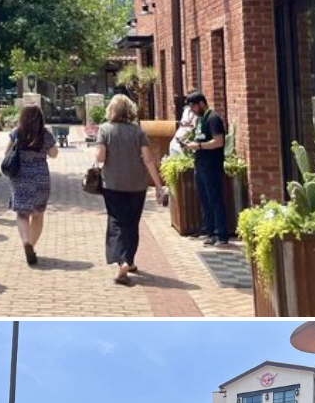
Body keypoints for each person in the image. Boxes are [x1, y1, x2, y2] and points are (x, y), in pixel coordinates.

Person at [94, 93, 168, 285]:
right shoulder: (138, 132)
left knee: (116, 222)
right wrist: (159, 186)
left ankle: (123, 262)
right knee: (132, 223)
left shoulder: (104, 130)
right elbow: (148, 159)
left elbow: (100, 157)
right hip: (137, 184)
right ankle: (130, 260)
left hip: (113, 184)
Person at [4, 103, 58, 266]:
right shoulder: (45, 134)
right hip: (40, 176)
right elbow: (54, 154)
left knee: (22, 213)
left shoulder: (16, 133)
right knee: (38, 213)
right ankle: (32, 246)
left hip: (20, 176)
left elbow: (7, 153)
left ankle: (26, 241)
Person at [181, 90, 230, 247]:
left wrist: (199, 145)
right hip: (200, 165)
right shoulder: (201, 119)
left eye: (194, 107)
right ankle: (208, 230)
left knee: (215, 199)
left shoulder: (213, 118)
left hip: (212, 166)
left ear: (201, 103)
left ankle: (220, 234)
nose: (193, 111)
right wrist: (190, 144)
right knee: (205, 199)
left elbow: (219, 141)